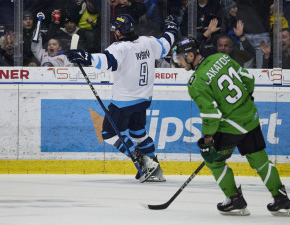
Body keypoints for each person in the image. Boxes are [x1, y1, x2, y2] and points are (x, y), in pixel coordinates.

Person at [174, 36, 290, 216]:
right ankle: (281, 197)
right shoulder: (221, 57)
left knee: (213, 160)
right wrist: (246, 100)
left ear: (190, 56)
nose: (179, 63)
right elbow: (248, 79)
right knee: (259, 158)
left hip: (231, 125)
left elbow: (211, 114)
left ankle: (235, 200)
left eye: (179, 59)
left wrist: (207, 139)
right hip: (250, 116)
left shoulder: (196, 82)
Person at [67, 14, 178, 182]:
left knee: (108, 133)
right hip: (144, 99)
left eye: (116, 29)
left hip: (123, 102)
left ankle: (142, 161)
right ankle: (154, 167)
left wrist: (86, 58)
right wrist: (171, 28)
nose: (115, 32)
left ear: (120, 31)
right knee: (138, 132)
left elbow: (107, 61)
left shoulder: (119, 47)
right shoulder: (148, 42)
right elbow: (166, 44)